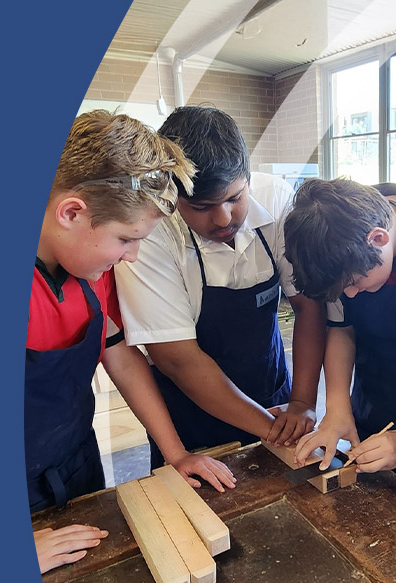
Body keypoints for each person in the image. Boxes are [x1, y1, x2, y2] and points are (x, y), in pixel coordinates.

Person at [27, 110, 236, 574]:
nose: (133, 255)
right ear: (72, 212)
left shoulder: (89, 271)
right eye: (126, 238)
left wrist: (176, 453)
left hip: (73, 463)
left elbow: (119, 356)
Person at [115, 106, 326, 469]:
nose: (224, 218)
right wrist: (273, 430)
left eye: (234, 198)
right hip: (191, 416)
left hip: (273, 391)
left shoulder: (276, 199)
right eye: (202, 206)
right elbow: (177, 358)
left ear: (246, 176)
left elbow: (308, 306)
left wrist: (303, 402)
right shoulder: (149, 234)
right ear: (173, 195)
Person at [284, 177, 396, 494]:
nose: (350, 294)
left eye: (353, 282)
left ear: (378, 238)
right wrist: (337, 409)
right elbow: (341, 329)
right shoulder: (339, 238)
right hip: (372, 412)